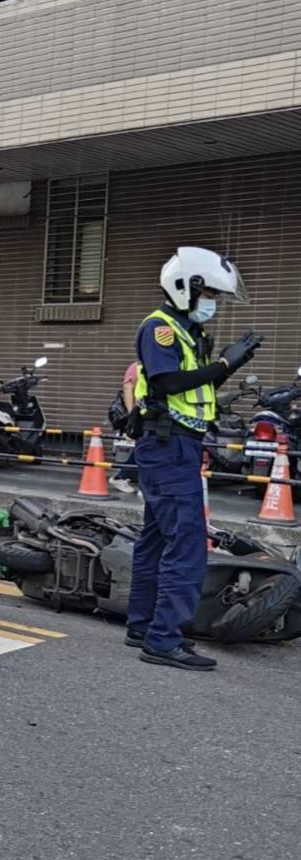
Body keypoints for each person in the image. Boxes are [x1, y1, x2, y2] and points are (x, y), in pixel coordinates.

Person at [126, 246, 262, 671]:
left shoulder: (187, 330)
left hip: (175, 445)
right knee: (187, 543)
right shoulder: (161, 328)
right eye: (211, 295)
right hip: (169, 446)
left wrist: (223, 365)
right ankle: (164, 640)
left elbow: (190, 388)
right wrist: (223, 364)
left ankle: (143, 626)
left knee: (155, 538)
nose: (214, 304)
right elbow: (166, 381)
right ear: (188, 288)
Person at [108, 361, 140, 494]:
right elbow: (127, 388)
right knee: (145, 446)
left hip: (145, 413)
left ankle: (122, 476)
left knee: (143, 447)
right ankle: (122, 476)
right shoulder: (137, 366)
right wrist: (131, 413)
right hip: (142, 414)